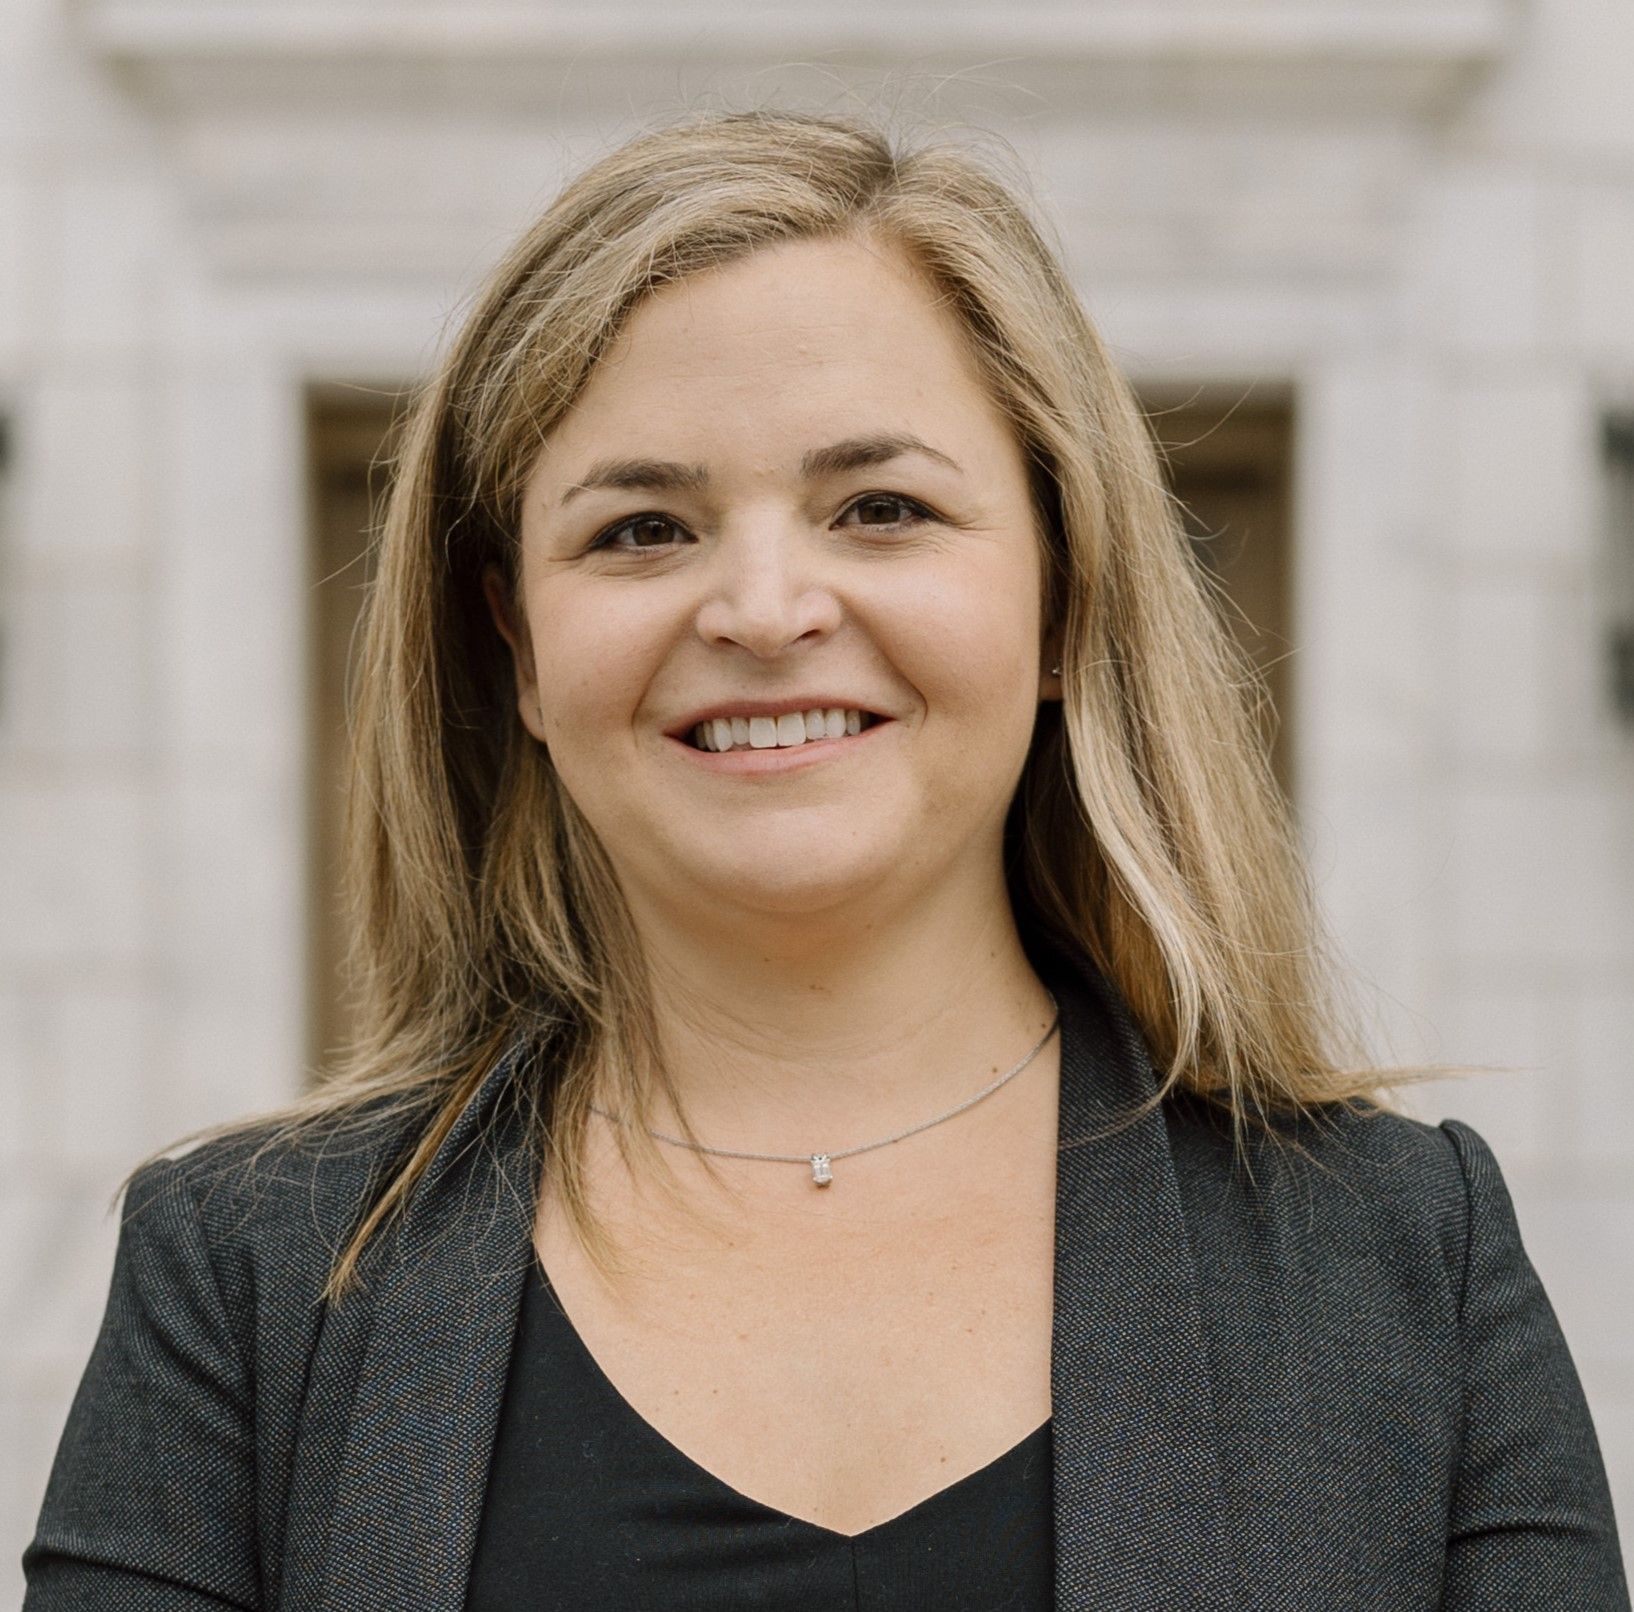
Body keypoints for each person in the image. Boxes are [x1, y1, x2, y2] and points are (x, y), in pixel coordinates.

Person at [21, 108, 1629, 1610]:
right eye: (641, 530)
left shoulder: (1401, 1258)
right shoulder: (244, 1277)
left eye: (879, 507)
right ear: (513, 641)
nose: (765, 609)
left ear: (1064, 597)